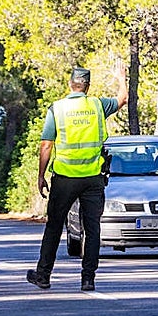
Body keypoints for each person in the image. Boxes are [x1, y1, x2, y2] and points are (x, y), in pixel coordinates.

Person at [27, 63, 128, 292]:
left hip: (64, 177)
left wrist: (41, 176)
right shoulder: (97, 105)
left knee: (54, 226)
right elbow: (122, 99)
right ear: (87, 86)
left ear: (70, 84)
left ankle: (43, 275)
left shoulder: (58, 108)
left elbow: (46, 145)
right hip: (93, 178)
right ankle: (88, 279)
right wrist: (121, 78)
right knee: (92, 229)